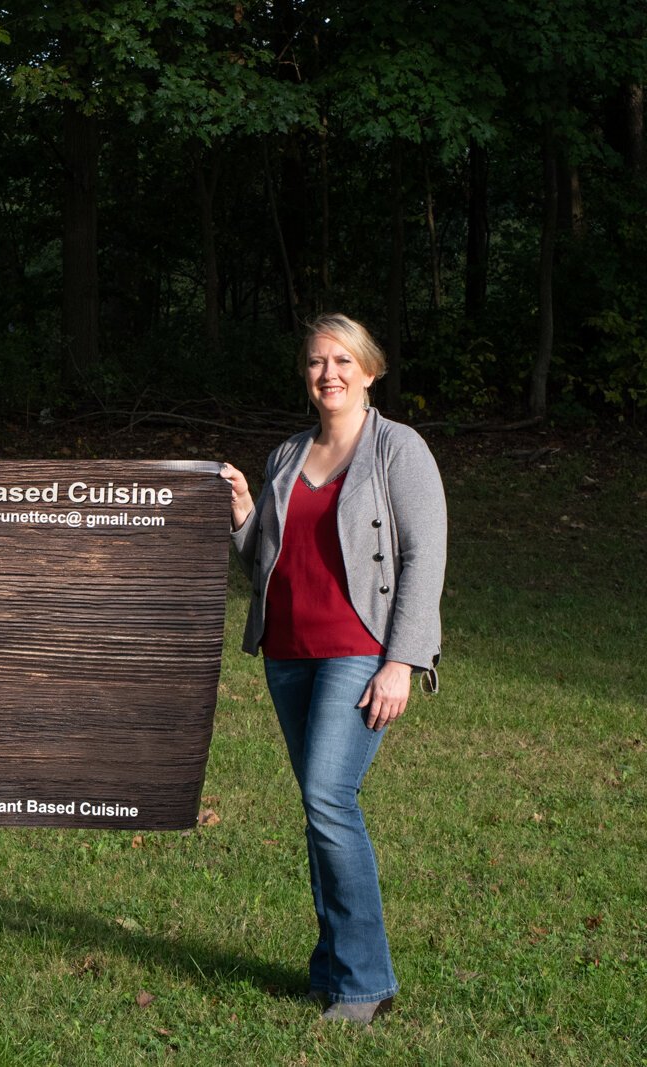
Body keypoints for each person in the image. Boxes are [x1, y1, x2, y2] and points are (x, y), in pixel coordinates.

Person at [219, 313, 446, 1025]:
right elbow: (267, 556)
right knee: (320, 807)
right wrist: (244, 512)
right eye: (318, 362)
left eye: (344, 360)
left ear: (370, 370)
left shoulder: (398, 448)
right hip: (288, 652)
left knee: (328, 796)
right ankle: (331, 970)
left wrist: (402, 661)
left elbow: (425, 557)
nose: (330, 374)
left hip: (359, 650)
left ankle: (365, 984)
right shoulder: (287, 453)